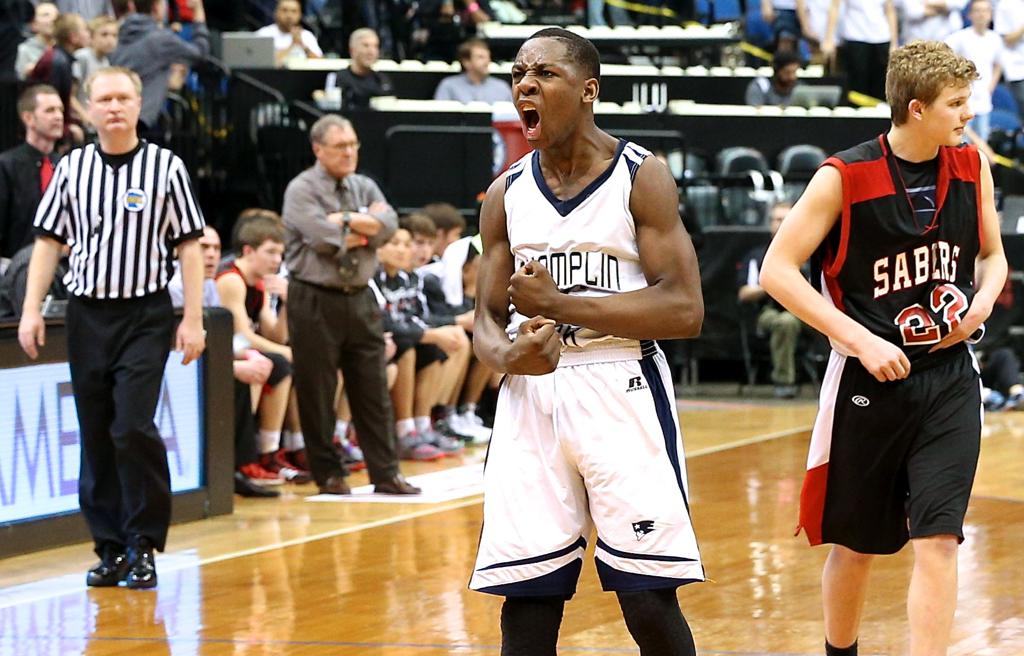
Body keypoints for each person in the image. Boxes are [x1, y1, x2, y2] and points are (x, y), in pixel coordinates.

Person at [759, 41, 1006, 656]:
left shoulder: (972, 165)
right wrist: (861, 340)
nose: (969, 113)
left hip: (949, 378)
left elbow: (993, 255)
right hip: (870, 382)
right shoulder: (842, 177)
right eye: (956, 103)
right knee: (857, 547)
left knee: (939, 538)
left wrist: (981, 301)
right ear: (916, 108)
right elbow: (776, 271)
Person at [469, 28, 705, 655]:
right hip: (532, 396)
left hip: (621, 382)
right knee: (528, 597)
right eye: (519, 75)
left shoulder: (640, 176)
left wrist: (560, 306)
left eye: (545, 74)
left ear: (588, 90)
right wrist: (506, 356)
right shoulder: (505, 193)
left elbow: (685, 309)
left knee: (646, 596)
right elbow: (485, 319)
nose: (526, 85)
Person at [18, 66, 207, 590]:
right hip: (86, 314)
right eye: (104, 99)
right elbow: (47, 242)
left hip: (145, 314)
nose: (115, 107)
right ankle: (110, 547)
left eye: (124, 97)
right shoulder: (72, 167)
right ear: (89, 108)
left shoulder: (166, 167)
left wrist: (193, 318)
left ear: (139, 103)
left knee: (132, 426)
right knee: (97, 432)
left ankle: (143, 542)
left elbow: (190, 245)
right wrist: (32, 309)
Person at [282, 114, 419, 496]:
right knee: (318, 389)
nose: (349, 152)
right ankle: (328, 473)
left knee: (373, 386)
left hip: (360, 295)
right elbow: (324, 240)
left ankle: (386, 472)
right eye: (340, 146)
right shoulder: (301, 189)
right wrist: (366, 229)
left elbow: (389, 226)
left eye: (353, 144)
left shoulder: (364, 184)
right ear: (318, 149)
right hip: (313, 296)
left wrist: (346, 220)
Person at [167, 225, 282, 498]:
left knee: (258, 369)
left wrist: (247, 354)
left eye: (216, 248)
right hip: (176, 370)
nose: (211, 255)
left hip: (203, 361)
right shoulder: (174, 288)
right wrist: (233, 365)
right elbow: (176, 351)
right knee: (238, 376)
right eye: (203, 248)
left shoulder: (209, 285)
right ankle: (236, 465)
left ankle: (242, 465)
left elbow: (224, 338)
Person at [110, 0, 210, 134]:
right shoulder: (160, 39)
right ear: (157, 7)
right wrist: (198, 13)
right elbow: (199, 52)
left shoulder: (118, 33)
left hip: (118, 115)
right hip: (144, 121)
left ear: (132, 5)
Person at [737, 201, 803, 397]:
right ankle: (784, 382)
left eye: (786, 219)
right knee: (785, 322)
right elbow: (744, 293)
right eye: (777, 219)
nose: (781, 224)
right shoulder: (757, 256)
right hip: (768, 310)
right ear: (770, 223)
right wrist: (770, 284)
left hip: (805, 312)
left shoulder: (809, 253)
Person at [0, 85, 63, 267]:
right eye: (50, 110)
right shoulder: (7, 165)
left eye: (60, 110)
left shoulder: (66, 165)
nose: (58, 116)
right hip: (13, 267)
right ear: (28, 118)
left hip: (61, 267)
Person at [945, 0, 1003, 142]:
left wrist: (990, 87)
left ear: (991, 14)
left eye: (985, 11)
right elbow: (944, 55)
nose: (981, 14)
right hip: (964, 98)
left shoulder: (995, 39)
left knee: (982, 139)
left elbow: (998, 65)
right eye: (977, 11)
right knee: (962, 140)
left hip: (984, 99)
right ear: (970, 15)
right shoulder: (960, 37)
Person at [823, 0, 898, 101]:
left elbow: (890, 10)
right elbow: (835, 7)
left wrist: (894, 42)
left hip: (882, 37)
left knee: (881, 87)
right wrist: (828, 38)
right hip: (855, 37)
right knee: (857, 87)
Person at [433, 38, 512, 104]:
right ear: (466, 62)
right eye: (480, 57)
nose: (487, 62)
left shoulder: (502, 87)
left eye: (488, 57)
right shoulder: (448, 86)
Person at [338, 28, 392, 111]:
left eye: (375, 46)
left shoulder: (382, 80)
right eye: (365, 46)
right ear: (352, 50)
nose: (371, 52)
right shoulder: (339, 78)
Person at [256, 0, 322, 67]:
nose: (289, 16)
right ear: (276, 13)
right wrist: (292, 45)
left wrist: (303, 46)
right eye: (285, 10)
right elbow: (262, 64)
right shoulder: (264, 34)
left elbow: (321, 63)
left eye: (294, 11)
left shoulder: (307, 35)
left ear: (300, 15)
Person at [74, 15, 118, 110]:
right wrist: (85, 116)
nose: (110, 40)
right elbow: (71, 96)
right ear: (91, 36)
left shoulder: (106, 62)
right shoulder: (82, 57)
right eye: (104, 35)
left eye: (114, 35)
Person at [15, 2, 58, 80]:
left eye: (56, 15)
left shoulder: (64, 48)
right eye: (46, 15)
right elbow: (19, 80)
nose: (53, 19)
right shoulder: (24, 50)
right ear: (34, 23)